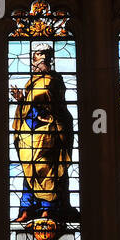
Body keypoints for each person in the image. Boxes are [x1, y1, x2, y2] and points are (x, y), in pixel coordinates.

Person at [11, 46, 75, 230]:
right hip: (28, 131)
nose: (35, 63)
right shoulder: (33, 81)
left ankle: (48, 208)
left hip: (48, 131)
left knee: (48, 168)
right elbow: (31, 105)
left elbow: (57, 105)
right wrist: (21, 100)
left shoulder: (54, 80)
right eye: (34, 59)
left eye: (38, 59)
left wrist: (52, 116)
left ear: (46, 61)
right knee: (28, 168)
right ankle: (27, 208)